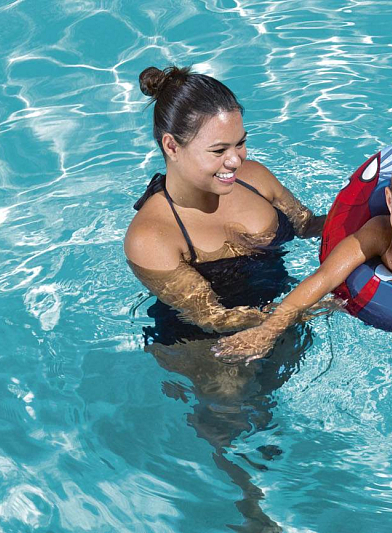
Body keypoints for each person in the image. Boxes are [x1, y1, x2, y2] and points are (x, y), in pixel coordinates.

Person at [124, 65, 325, 532]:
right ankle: (252, 512)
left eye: (241, 143)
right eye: (218, 150)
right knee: (232, 408)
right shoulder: (152, 235)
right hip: (204, 345)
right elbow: (212, 318)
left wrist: (372, 217)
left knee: (267, 409)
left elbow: (309, 225)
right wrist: (302, 308)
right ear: (171, 146)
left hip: (279, 314)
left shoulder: (255, 178)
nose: (235, 160)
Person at [214, 132, 392, 452]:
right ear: (389, 199)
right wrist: (271, 327)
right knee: (291, 315)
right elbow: (325, 277)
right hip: (390, 316)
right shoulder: (380, 232)